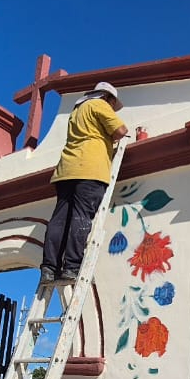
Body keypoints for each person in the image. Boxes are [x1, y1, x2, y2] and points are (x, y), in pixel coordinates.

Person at [40, 81, 128, 284]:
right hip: (90, 167)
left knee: (59, 219)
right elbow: (120, 131)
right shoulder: (99, 105)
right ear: (109, 98)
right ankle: (71, 267)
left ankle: (49, 267)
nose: (113, 109)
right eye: (113, 105)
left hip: (66, 169)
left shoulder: (77, 110)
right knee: (81, 217)